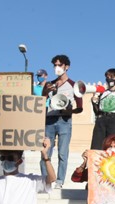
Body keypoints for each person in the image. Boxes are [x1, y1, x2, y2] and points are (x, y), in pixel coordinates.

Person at [42, 54, 83, 188]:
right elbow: (41, 101)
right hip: (49, 120)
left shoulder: (73, 85)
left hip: (64, 121)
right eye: (55, 65)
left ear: (67, 67)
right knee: (45, 151)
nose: (57, 68)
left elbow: (80, 107)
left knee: (62, 153)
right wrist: (46, 91)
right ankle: (45, 180)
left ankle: (59, 181)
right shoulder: (50, 84)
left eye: (60, 65)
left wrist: (68, 111)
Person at [90, 68, 115, 150]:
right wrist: (93, 102)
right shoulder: (102, 93)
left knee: (114, 146)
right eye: (107, 77)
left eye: (111, 77)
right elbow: (97, 112)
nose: (109, 79)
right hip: (101, 120)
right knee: (97, 146)